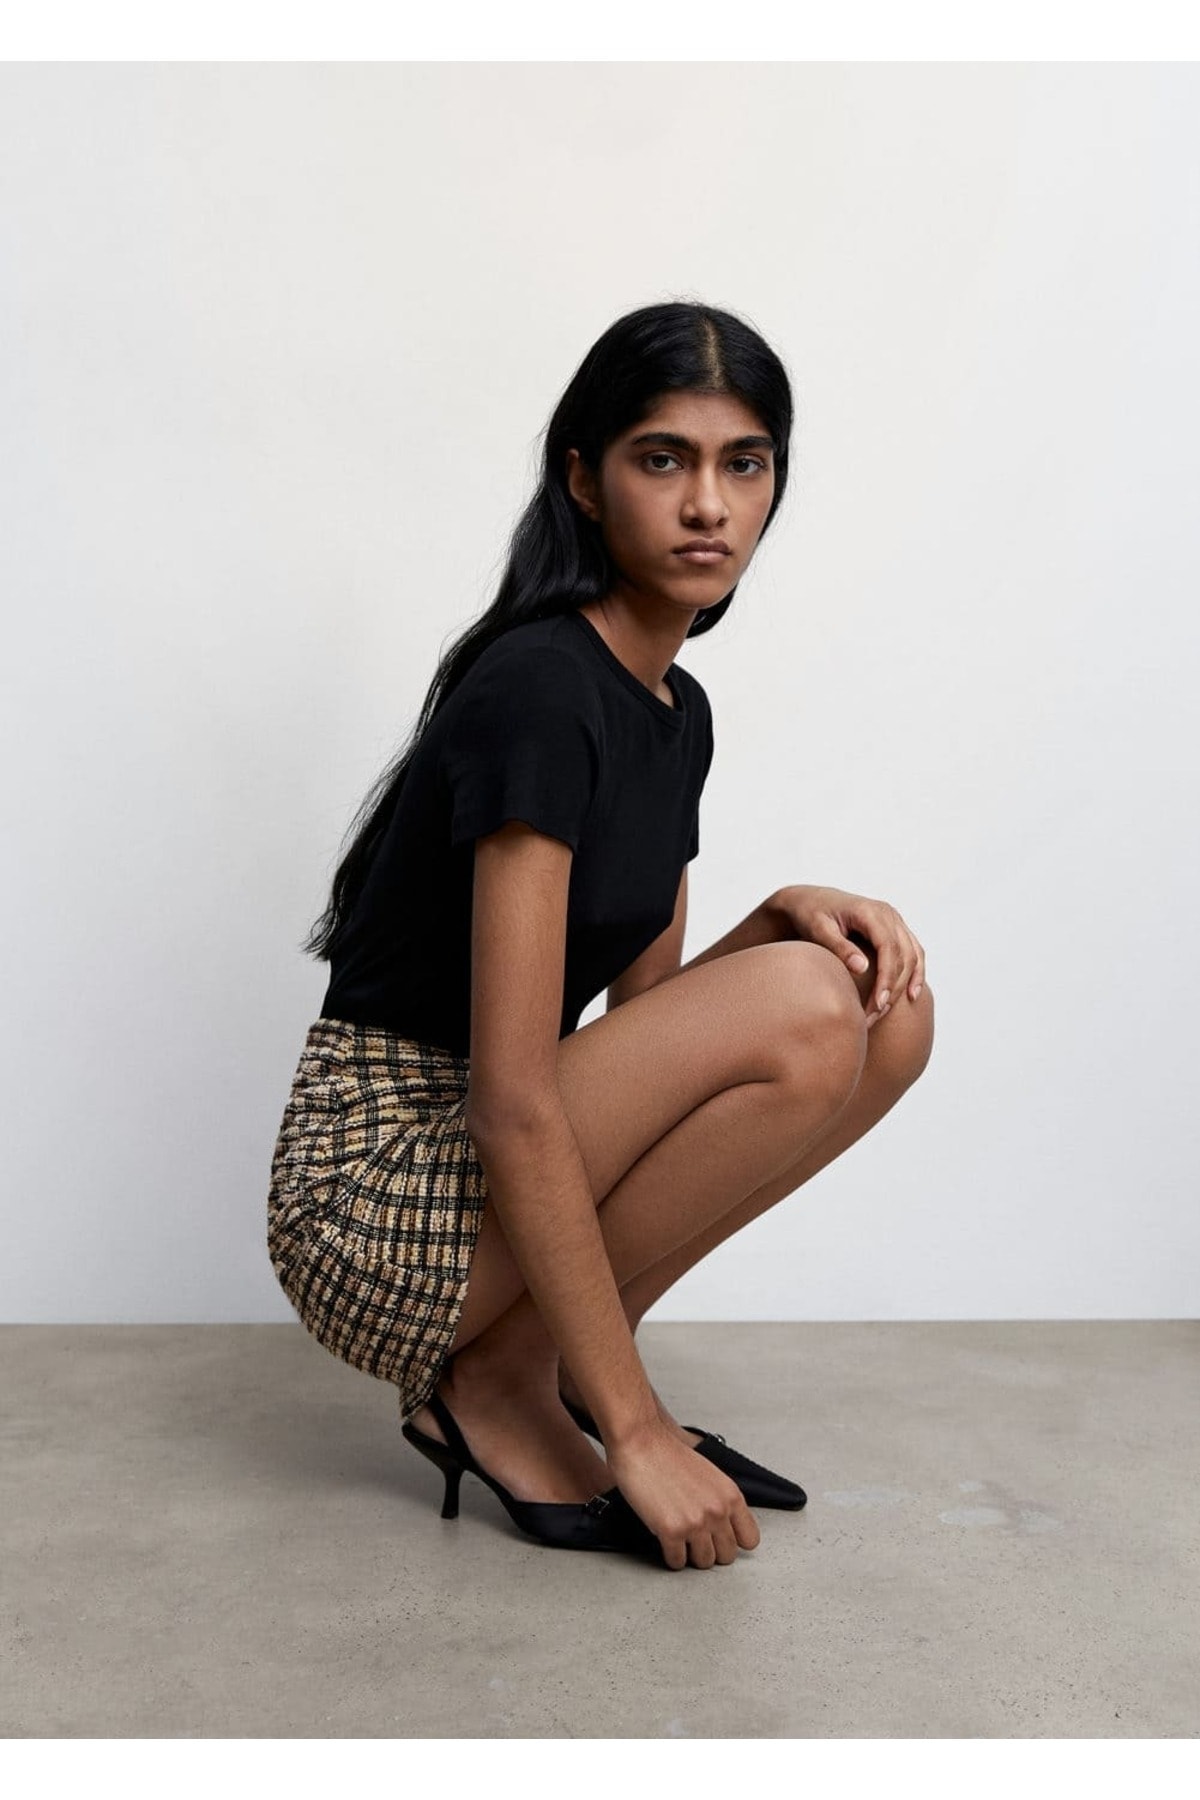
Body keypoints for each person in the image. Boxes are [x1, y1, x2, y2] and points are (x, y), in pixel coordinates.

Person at [266, 299, 935, 1574]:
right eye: (662, 459)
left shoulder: (676, 713)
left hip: (490, 1169)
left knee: (881, 1010)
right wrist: (638, 1433)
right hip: (372, 1195)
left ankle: (538, 1368)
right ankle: (521, 1386)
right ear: (584, 480)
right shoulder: (540, 688)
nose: (709, 506)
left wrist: (777, 917)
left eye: (745, 463)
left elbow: (654, 1035)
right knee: (808, 1003)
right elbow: (513, 1101)